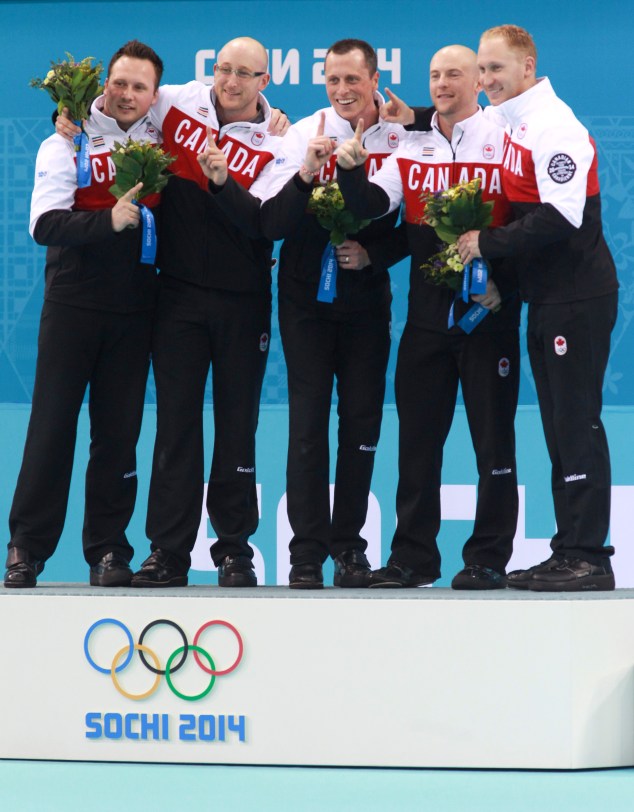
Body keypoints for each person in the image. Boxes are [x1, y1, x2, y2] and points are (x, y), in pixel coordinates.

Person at [198, 38, 410, 588]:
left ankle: (350, 548)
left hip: (366, 304)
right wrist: (307, 172)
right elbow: (272, 222)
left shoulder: (399, 134)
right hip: (303, 303)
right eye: (333, 81)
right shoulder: (300, 134)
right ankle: (307, 553)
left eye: (353, 81)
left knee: (361, 423)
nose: (342, 91)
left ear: (373, 79)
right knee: (308, 426)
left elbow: (390, 214)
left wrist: (372, 245)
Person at [335, 45, 521, 589]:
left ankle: (488, 557)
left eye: (455, 74)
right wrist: (350, 172)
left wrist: (505, 289)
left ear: (477, 82)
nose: (443, 84)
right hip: (425, 324)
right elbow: (374, 204)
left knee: (494, 444)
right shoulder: (410, 146)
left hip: (489, 317)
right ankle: (412, 559)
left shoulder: (502, 137)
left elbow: (530, 216)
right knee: (415, 445)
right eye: (435, 75)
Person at [456, 25, 618, 591]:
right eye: (481, 68)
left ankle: (590, 557)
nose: (485, 79)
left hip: (578, 299)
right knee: (557, 426)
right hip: (548, 298)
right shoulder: (509, 122)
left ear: (528, 67)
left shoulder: (555, 127)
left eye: (496, 69)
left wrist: (485, 245)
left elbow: (562, 219)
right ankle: (567, 547)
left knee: (576, 423)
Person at [4, 41, 163, 588]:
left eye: (140, 87)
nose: (128, 94)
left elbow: (215, 97)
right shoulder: (65, 140)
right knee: (52, 429)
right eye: (120, 83)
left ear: (153, 96)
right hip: (73, 305)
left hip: (136, 311)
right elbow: (45, 224)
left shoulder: (161, 137)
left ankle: (109, 551)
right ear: (105, 85)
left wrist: (275, 116)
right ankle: (26, 547)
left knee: (118, 436)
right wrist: (107, 222)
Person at [132, 37, 287, 588]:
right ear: (212, 71)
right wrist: (67, 115)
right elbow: (119, 103)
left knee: (237, 424)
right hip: (175, 296)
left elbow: (261, 223)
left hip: (242, 302)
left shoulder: (279, 141)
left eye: (245, 73)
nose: (231, 81)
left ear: (264, 81)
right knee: (175, 424)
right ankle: (167, 551)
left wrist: (223, 179)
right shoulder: (175, 101)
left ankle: (234, 548)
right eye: (224, 69)